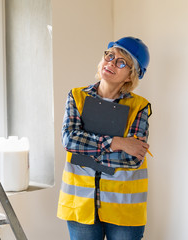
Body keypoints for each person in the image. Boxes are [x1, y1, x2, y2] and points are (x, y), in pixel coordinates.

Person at [57, 36, 152, 240]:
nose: (111, 63)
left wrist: (86, 152)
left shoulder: (139, 107)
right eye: (110, 56)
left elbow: (133, 158)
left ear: (130, 75)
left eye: (121, 62)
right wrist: (118, 143)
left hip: (123, 209)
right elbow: (70, 140)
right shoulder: (76, 97)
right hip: (81, 205)